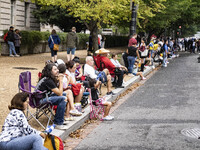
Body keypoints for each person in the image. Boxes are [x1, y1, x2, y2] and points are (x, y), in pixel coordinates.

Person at [35, 63, 68, 130]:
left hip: (43, 97)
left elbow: (59, 92)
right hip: (39, 101)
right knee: (63, 98)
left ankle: (60, 118)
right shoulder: (48, 80)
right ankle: (58, 123)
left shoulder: (48, 78)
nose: (57, 70)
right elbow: (59, 93)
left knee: (64, 95)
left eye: (57, 69)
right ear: (50, 71)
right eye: (55, 69)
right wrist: (61, 81)